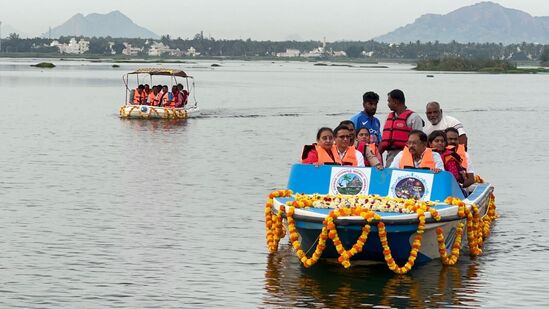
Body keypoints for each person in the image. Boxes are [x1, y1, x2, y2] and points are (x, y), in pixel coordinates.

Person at [380, 89, 425, 167]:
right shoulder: (388, 117)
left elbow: (420, 141)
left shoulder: (414, 118)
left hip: (409, 158)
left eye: (389, 101)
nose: (388, 104)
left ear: (395, 102)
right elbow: (384, 140)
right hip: (390, 157)